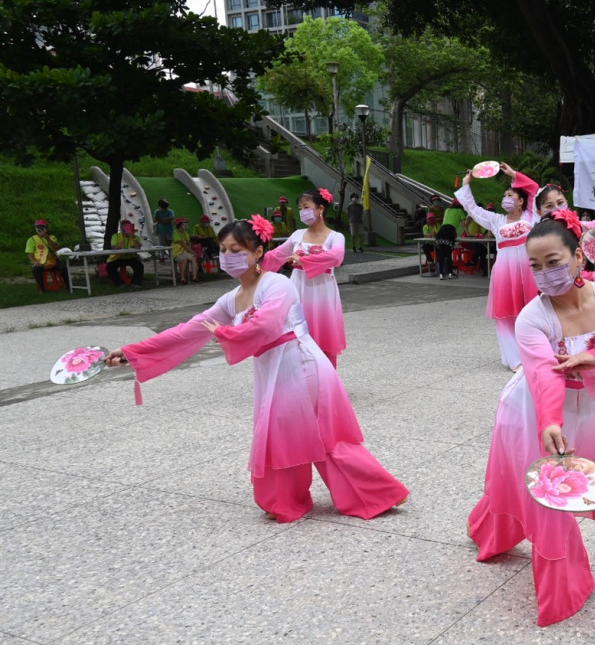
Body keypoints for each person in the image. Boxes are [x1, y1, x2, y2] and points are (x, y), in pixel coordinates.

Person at [106, 217, 410, 522]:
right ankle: (284, 500)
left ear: (258, 251)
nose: (227, 256)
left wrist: (228, 334)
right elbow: (189, 330)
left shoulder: (277, 283)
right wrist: (133, 352)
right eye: (223, 249)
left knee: (325, 438)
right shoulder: (231, 300)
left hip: (301, 365)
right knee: (283, 434)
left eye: (236, 249)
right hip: (275, 370)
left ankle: (375, 494)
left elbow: (268, 324)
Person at [468, 213, 595, 626]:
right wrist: (550, 422)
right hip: (532, 410)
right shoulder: (531, 317)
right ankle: (563, 586)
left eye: (553, 262)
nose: (544, 274)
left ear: (577, 258)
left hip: (590, 407)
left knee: (564, 487)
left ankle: (492, 528)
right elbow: (543, 375)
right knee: (550, 498)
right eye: (535, 267)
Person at [456, 164, 540, 370]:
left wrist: (514, 176)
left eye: (510, 194)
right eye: (505, 195)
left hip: (529, 271)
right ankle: (514, 360)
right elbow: (473, 209)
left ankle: (535, 353)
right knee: (506, 315)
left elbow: (536, 190)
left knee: (534, 312)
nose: (506, 198)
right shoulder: (496, 220)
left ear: (521, 201)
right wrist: (467, 185)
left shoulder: (532, 216)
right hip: (505, 272)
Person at [260, 187, 347, 367]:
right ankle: (301, 378)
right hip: (297, 289)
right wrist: (254, 261)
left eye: (306, 207)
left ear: (320, 209)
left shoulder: (335, 237)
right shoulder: (297, 235)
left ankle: (327, 378)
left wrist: (304, 260)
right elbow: (276, 256)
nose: (302, 212)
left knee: (323, 334)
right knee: (296, 332)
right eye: (300, 209)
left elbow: (336, 256)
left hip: (322, 292)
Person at [26, 219, 69, 292]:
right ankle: (42, 290)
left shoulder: (52, 237)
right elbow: (30, 255)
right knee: (36, 270)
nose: (40, 229)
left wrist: (47, 238)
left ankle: (69, 287)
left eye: (42, 227)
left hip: (53, 261)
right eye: (38, 227)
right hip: (41, 262)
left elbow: (56, 248)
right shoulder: (32, 240)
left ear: (46, 228)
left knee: (63, 268)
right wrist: (34, 261)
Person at [107, 220, 145, 288]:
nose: (126, 228)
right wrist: (123, 238)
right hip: (118, 257)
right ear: (121, 227)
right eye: (124, 226)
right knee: (109, 267)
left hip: (130, 257)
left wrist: (132, 237)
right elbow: (114, 248)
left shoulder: (135, 237)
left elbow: (138, 247)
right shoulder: (116, 236)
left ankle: (136, 283)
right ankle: (120, 283)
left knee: (139, 266)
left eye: (128, 226)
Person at [171, 218, 200, 284]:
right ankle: (182, 278)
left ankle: (194, 277)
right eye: (185, 224)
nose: (186, 225)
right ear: (180, 225)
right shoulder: (175, 233)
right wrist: (193, 252)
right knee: (184, 260)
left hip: (185, 252)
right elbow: (184, 245)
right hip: (177, 253)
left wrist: (198, 237)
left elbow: (189, 239)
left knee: (194, 258)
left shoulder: (185, 232)